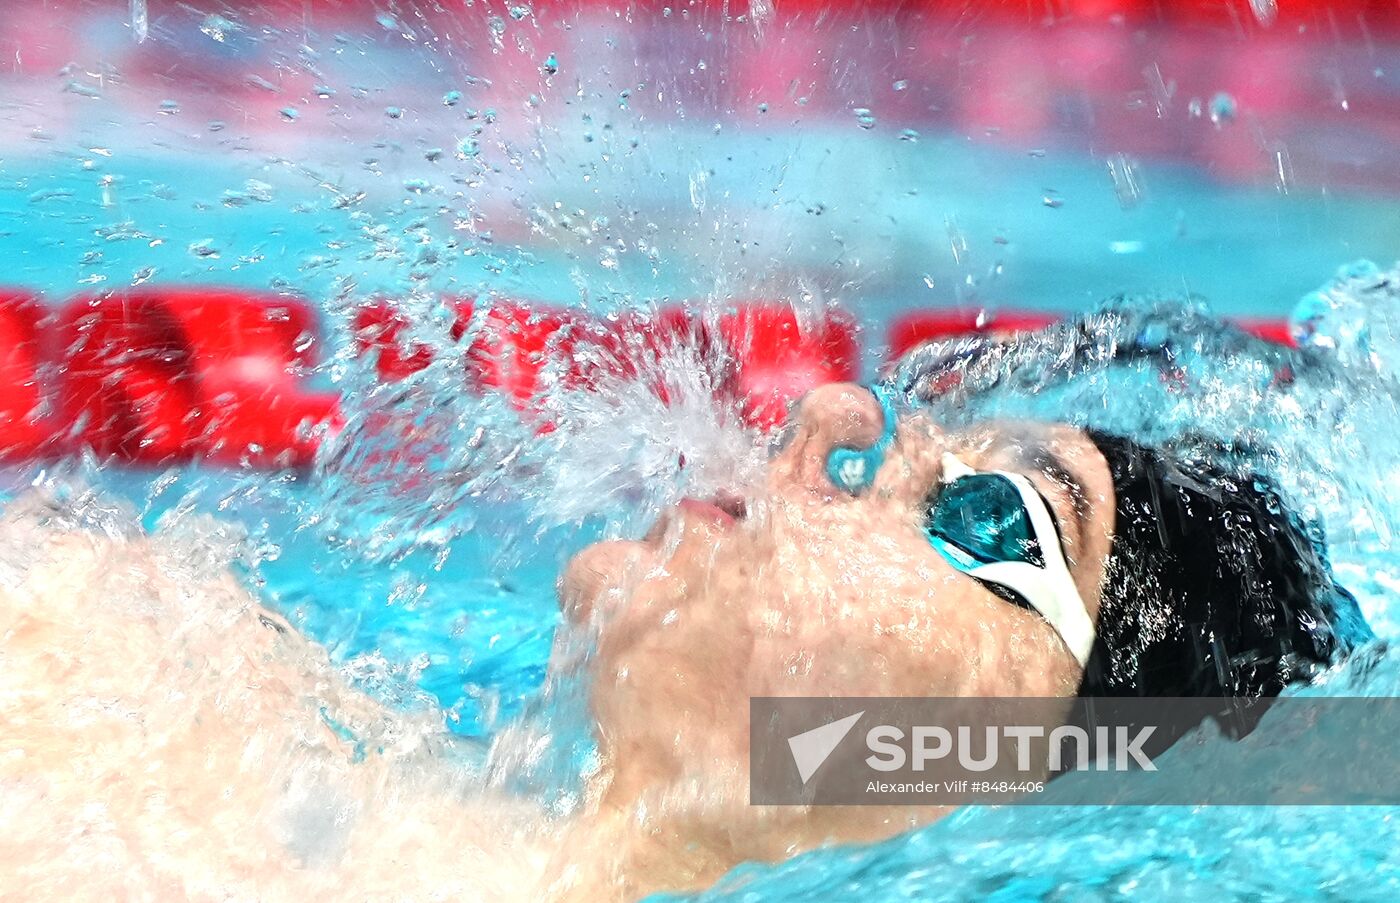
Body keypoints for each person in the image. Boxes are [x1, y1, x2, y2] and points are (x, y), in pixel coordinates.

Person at [0, 325, 1372, 902]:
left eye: (993, 526)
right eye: (926, 438)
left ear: (978, 792)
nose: (838, 412)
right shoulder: (125, 667)